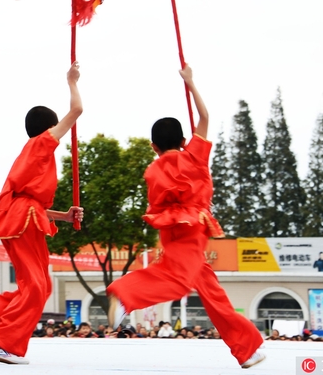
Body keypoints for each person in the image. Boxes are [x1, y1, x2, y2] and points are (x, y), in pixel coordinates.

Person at [105, 66, 266, 369]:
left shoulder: (153, 170)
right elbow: (204, 118)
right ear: (182, 139)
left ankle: (248, 348)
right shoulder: (194, 156)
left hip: (171, 230)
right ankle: (125, 293)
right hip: (193, 230)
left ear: (154, 147)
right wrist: (190, 82)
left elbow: (157, 202)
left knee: (211, 290)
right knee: (178, 283)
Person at [0, 62, 84, 365]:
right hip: (24, 219)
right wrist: (72, 81)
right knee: (36, 286)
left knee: (38, 286)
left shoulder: (34, 152)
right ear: (50, 128)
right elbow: (77, 112)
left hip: (24, 217)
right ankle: (4, 343)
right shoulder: (42, 144)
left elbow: (35, 205)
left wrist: (66, 215)